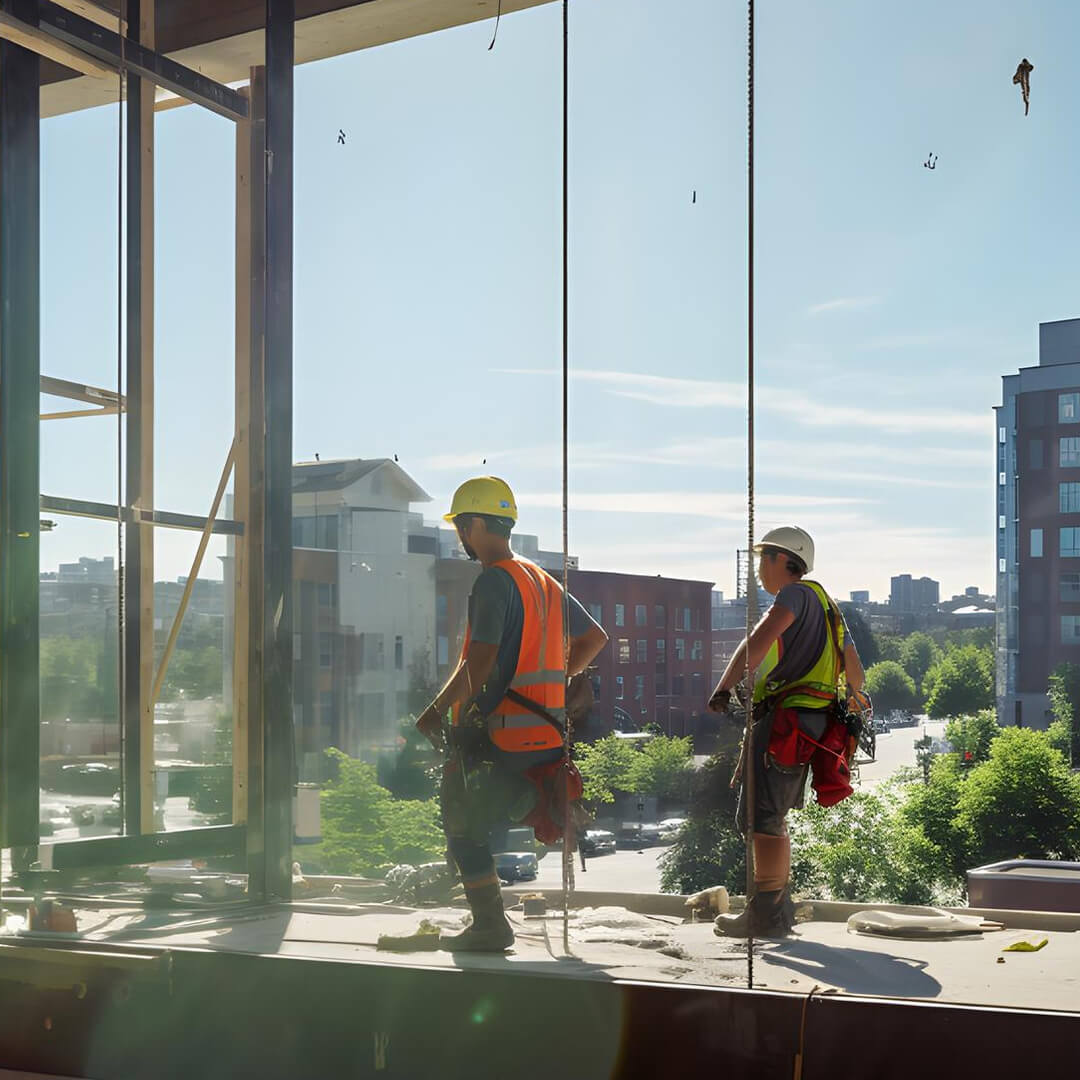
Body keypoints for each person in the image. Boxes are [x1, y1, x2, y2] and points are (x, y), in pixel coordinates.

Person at [415, 477, 608, 951]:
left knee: (461, 824)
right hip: (543, 732)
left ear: (477, 525)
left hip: (500, 732)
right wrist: (555, 683)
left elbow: (478, 662)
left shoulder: (495, 581)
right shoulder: (541, 580)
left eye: (462, 526)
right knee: (494, 808)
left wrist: (436, 711)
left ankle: (490, 925)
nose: (461, 536)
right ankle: (530, 805)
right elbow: (593, 638)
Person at [707, 526, 866, 938]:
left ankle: (767, 914)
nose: (760, 569)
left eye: (764, 559)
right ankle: (776, 907)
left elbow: (755, 643)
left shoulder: (794, 595)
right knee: (772, 815)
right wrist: (850, 696)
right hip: (812, 723)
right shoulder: (828, 604)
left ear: (782, 560)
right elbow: (855, 669)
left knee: (763, 816)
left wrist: (723, 689)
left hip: (786, 722)